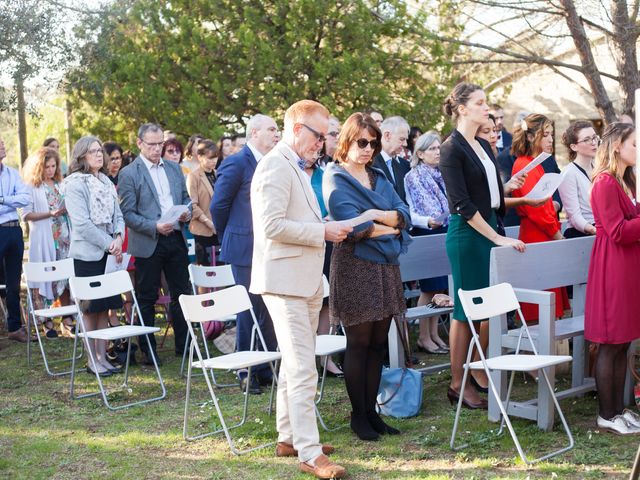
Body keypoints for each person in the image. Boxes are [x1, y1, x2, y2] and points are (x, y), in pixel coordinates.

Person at [250, 100, 350, 479]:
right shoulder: (273, 165)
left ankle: (289, 436)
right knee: (302, 366)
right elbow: (272, 225)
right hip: (284, 283)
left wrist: (325, 223)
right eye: (317, 135)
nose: (321, 144)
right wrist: (321, 231)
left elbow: (296, 219)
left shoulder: (294, 165)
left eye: (325, 136)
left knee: (297, 365)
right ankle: (309, 453)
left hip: (305, 280)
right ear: (296, 129)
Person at [324, 112, 411, 441]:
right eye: (362, 142)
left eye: (373, 144)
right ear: (346, 141)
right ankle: (358, 415)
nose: (368, 149)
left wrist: (377, 218)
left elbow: (403, 215)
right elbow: (351, 227)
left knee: (378, 344)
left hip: (385, 268)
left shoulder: (378, 175)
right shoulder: (336, 177)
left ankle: (372, 412)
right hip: (355, 268)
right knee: (358, 344)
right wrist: (379, 223)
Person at [439, 83, 526, 410]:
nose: (485, 108)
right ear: (461, 108)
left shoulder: (482, 144)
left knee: (489, 310)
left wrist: (508, 199)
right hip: (467, 234)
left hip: (489, 225)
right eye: (479, 103)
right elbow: (461, 203)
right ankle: (457, 383)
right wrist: (497, 237)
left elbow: (488, 192)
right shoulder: (451, 149)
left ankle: (477, 369)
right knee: (465, 313)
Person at [211, 114, 279, 394]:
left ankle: (263, 366)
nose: (277, 134)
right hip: (244, 248)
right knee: (247, 309)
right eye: (272, 129)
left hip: (270, 248)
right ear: (254, 133)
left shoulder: (273, 162)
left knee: (267, 310)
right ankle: (244, 369)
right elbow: (218, 205)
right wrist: (231, 234)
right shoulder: (236, 162)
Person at [118, 123, 192, 364]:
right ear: (139, 143)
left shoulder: (174, 169)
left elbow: (186, 200)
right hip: (149, 241)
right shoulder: (130, 173)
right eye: (152, 144)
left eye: (160, 143)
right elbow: (127, 214)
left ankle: (185, 345)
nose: (157, 149)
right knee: (146, 296)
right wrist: (154, 226)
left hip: (176, 238)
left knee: (182, 293)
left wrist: (186, 213)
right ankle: (148, 350)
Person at [586, 122, 640, 435]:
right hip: (612, 266)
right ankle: (606, 414)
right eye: (635, 143)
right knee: (609, 342)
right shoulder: (605, 182)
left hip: (628, 265)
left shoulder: (625, 180)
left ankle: (619, 410)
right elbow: (618, 230)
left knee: (623, 342)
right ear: (618, 145)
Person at [63, 136, 125, 376]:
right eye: (92, 151)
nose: (99, 155)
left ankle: (103, 356)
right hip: (87, 254)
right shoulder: (74, 184)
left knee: (104, 307)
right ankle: (92, 359)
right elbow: (82, 224)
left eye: (100, 151)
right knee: (90, 309)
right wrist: (110, 244)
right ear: (81, 156)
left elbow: (118, 215)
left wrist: (118, 237)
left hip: (109, 252)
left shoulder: (106, 182)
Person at [510, 114, 570, 321]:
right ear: (530, 137)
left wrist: (552, 206)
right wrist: (556, 234)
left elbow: (543, 202)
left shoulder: (537, 163)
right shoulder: (523, 164)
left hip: (544, 231)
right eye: (545, 135)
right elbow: (535, 208)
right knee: (541, 304)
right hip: (537, 234)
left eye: (551, 135)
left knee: (551, 301)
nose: (550, 140)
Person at [404, 132, 450, 354]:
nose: (437, 151)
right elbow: (412, 210)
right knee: (429, 287)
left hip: (445, 228)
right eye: (431, 148)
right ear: (420, 154)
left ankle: (433, 333)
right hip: (426, 230)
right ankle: (423, 336)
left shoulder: (442, 174)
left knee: (440, 286)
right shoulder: (413, 176)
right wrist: (428, 220)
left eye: (438, 147)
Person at [21, 147, 74, 337]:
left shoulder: (60, 183)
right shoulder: (31, 187)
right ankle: (46, 320)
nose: (50, 170)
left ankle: (67, 317)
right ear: (38, 167)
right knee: (45, 277)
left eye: (53, 166)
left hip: (64, 236)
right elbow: (26, 214)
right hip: (44, 237)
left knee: (65, 277)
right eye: (46, 166)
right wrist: (49, 213)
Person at [0, 136, 32, 342]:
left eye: (3, 142)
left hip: (14, 230)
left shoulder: (12, 173)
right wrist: (11, 201)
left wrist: (2, 199)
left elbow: (25, 198)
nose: (3, 145)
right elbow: (17, 199)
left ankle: (14, 328)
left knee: (13, 282)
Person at [558, 121, 597, 238]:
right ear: (573, 147)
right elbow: (575, 218)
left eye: (594, 137)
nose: (593, 143)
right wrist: (596, 231)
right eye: (587, 140)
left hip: (601, 229)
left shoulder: (599, 168)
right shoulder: (568, 173)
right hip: (582, 234)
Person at [186, 139, 218, 266]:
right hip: (202, 230)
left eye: (215, 157)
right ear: (200, 157)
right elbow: (192, 205)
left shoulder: (218, 174)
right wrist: (208, 222)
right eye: (210, 158)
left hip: (218, 228)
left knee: (221, 268)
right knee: (205, 269)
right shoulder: (193, 176)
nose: (214, 161)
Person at [372, 116, 411, 204]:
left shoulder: (404, 165)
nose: (405, 144)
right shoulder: (370, 162)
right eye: (402, 139)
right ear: (387, 136)